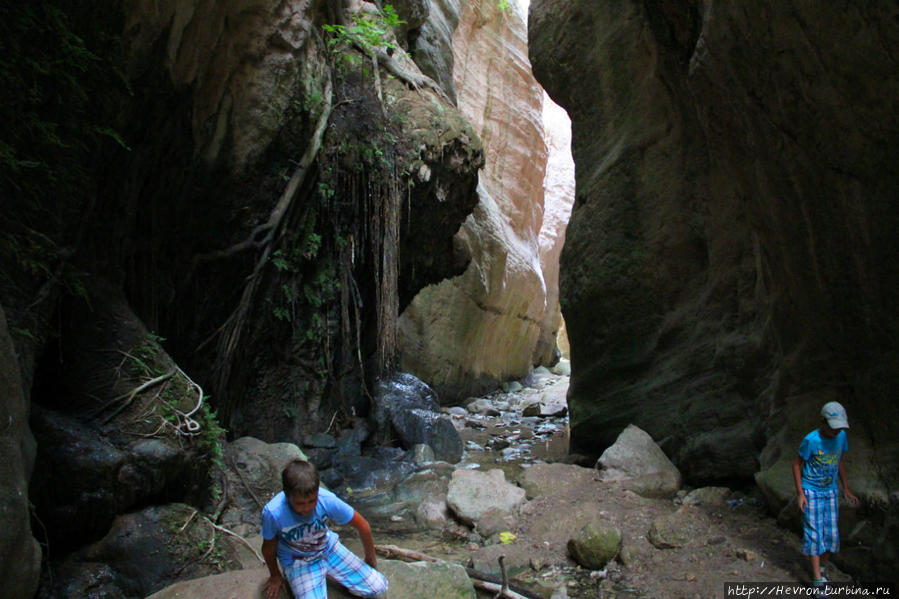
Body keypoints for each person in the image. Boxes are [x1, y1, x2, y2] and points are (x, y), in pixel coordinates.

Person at [261, 459, 388, 599]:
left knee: (378, 588)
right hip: (298, 560)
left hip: (328, 549)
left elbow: (363, 526)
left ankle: (341, 579)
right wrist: (275, 575)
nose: (307, 507)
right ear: (286, 495)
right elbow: (268, 548)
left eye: (311, 501)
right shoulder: (274, 513)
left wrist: (370, 559)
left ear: (317, 492)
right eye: (300, 503)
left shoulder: (326, 499)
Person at [792, 401, 859, 594]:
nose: (836, 432)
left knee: (831, 535)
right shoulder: (811, 440)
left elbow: (839, 460)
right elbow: (797, 464)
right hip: (811, 491)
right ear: (823, 422)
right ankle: (817, 581)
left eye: (839, 428)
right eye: (833, 427)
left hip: (830, 491)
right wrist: (800, 494)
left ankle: (821, 570)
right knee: (815, 536)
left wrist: (845, 488)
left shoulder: (841, 436)